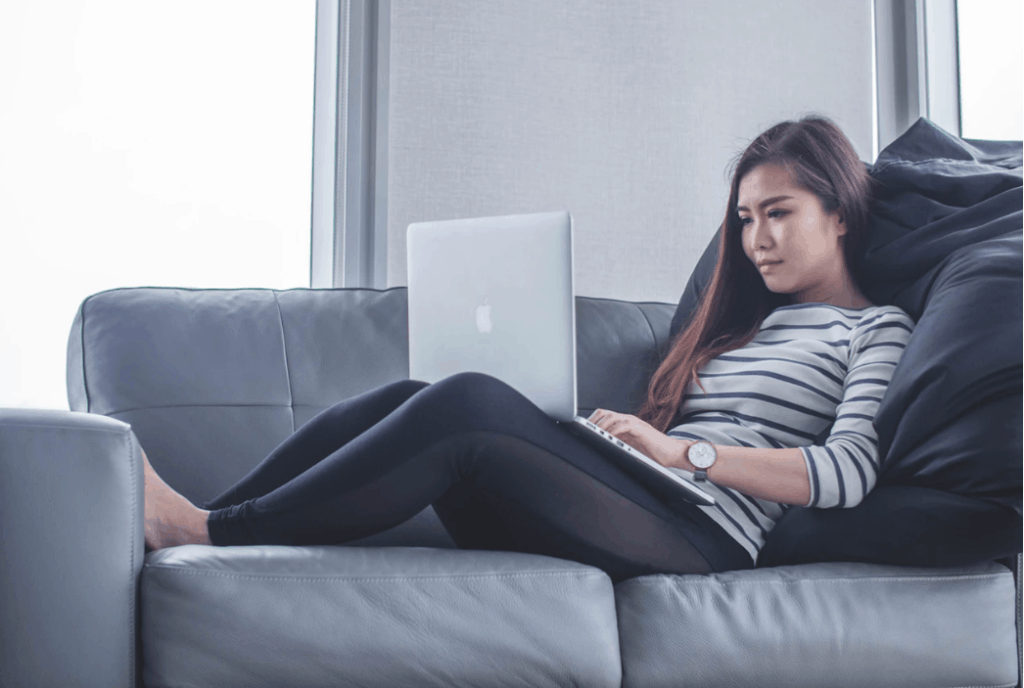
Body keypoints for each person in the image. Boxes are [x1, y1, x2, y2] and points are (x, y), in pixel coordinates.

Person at [143, 115, 915, 583]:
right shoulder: (743, 324)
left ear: (840, 212)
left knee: (469, 401)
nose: (755, 240)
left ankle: (205, 531)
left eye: (776, 213)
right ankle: (209, 520)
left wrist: (686, 455)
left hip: (707, 536)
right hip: (638, 500)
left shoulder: (875, 329)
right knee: (418, 393)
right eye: (744, 219)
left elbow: (847, 472)